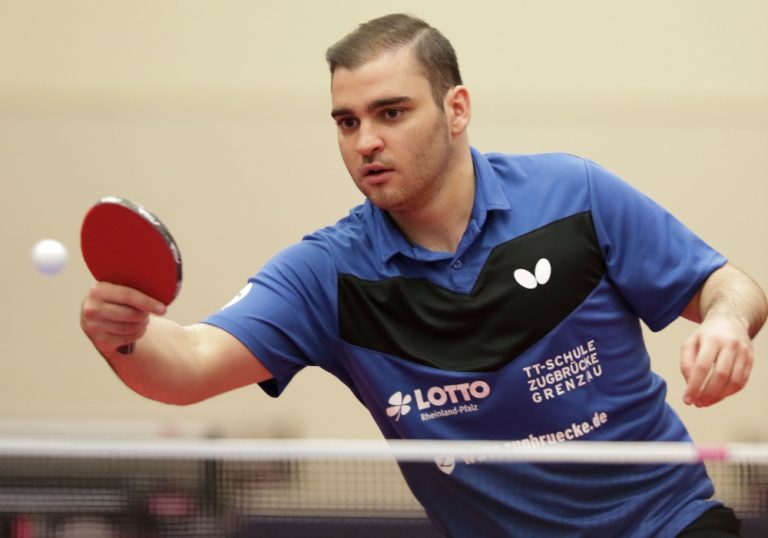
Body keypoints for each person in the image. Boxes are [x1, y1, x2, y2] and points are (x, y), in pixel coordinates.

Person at [80, 13, 767, 538]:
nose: (365, 141)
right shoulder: (330, 275)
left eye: (391, 112)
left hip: (667, 525)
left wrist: (728, 322)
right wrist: (126, 333)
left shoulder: (575, 196)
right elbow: (187, 365)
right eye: (346, 122)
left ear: (456, 109)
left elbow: (731, 285)